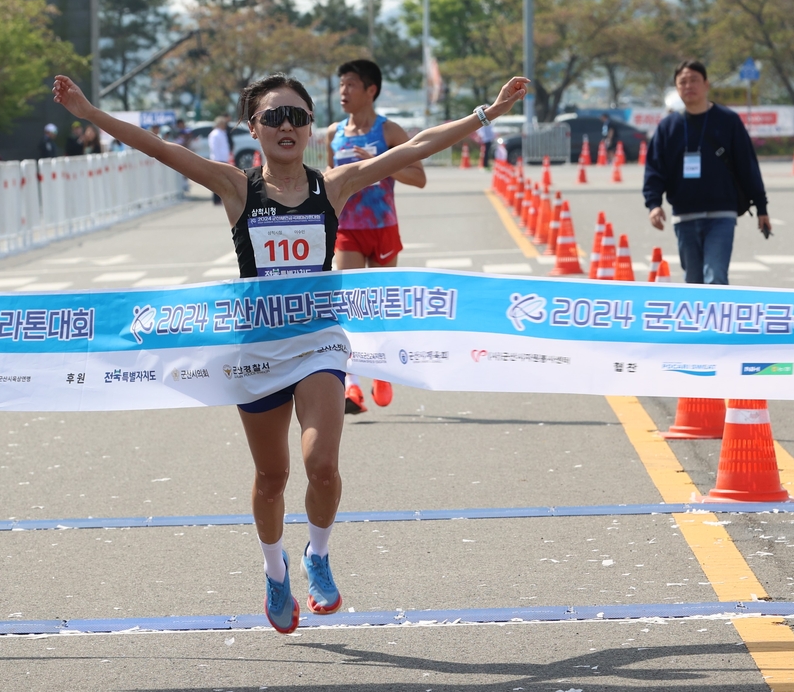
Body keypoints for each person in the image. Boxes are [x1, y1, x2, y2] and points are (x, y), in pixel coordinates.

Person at [52, 69, 530, 634]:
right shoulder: (236, 188)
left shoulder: (335, 184)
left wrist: (489, 113)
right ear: (253, 129)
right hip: (256, 351)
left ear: (310, 128)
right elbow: (158, 146)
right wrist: (91, 115)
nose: (286, 126)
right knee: (271, 478)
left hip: (319, 342)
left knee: (321, 465)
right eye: (273, 117)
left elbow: (419, 145)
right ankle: (274, 569)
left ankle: (318, 555)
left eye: (297, 116)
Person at [326, 59, 426, 413]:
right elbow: (329, 178)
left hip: (383, 227)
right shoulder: (333, 133)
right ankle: (351, 387)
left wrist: (380, 161)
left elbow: (419, 177)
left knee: (378, 305)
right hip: (347, 229)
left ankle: (380, 370)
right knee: (351, 305)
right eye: (341, 85)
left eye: (351, 84)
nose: (343, 92)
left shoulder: (390, 132)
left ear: (371, 90)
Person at [644, 60, 770, 286]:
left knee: (716, 278)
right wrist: (654, 204)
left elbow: (747, 165)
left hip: (721, 215)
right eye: (682, 82)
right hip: (684, 216)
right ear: (676, 88)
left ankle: (717, 322)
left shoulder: (728, 121)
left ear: (706, 85)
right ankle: (698, 323)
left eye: (694, 80)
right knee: (693, 282)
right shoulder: (668, 127)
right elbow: (655, 169)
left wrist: (761, 207)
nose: (688, 85)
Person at [207, 115, 231, 205]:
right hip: (218, 159)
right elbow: (214, 148)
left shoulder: (222, 133)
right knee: (217, 180)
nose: (225, 125)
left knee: (222, 180)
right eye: (223, 123)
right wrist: (217, 160)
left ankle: (220, 198)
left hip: (223, 159)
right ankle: (216, 199)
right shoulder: (215, 134)